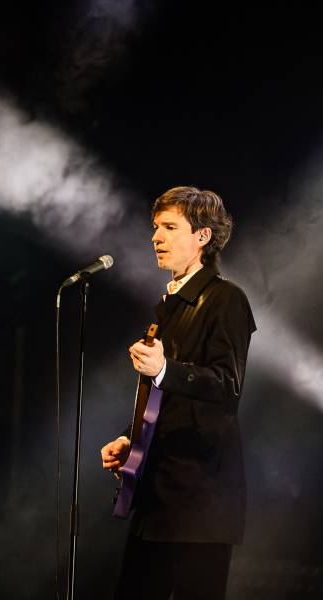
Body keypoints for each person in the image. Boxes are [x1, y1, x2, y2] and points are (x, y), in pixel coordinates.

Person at [101, 186, 256, 600]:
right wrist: (131, 440)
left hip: (201, 500)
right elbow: (165, 400)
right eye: (156, 227)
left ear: (203, 236)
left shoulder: (226, 299)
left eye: (170, 227)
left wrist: (165, 369)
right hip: (158, 495)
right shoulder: (170, 305)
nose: (156, 237)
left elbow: (227, 385)